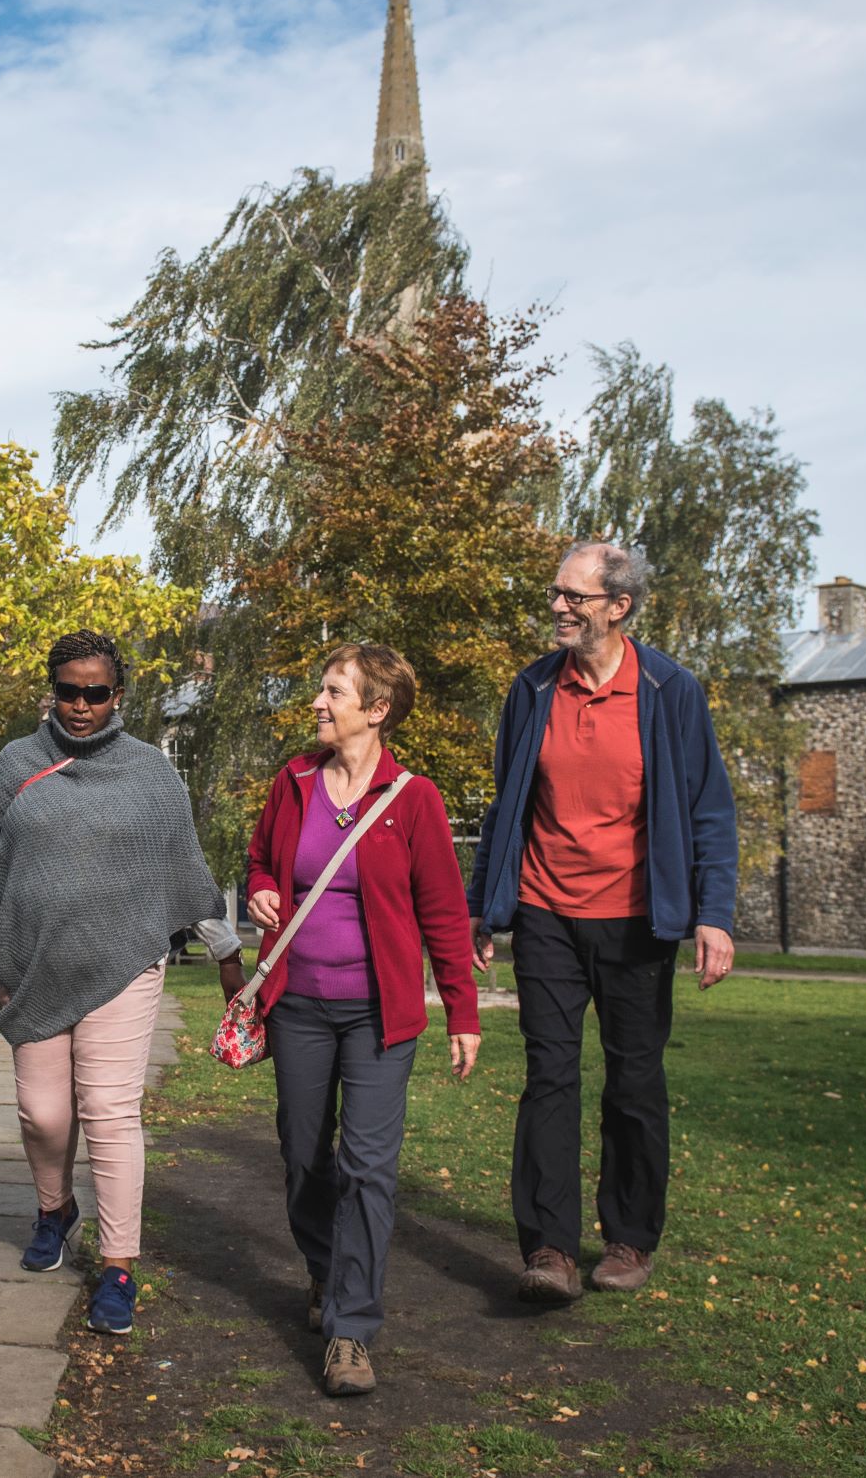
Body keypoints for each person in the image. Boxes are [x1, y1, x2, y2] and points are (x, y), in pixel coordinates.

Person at [0, 631, 243, 1336]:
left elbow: (184, 866)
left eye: (94, 693)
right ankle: (54, 1211)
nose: (79, 705)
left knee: (107, 1111)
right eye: (67, 690)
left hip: (123, 964)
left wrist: (224, 951)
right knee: (43, 1115)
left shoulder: (150, 772)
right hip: (28, 962)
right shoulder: (15, 764)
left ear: (117, 697)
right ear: (52, 690)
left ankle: (119, 1265)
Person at [468, 542, 737, 1305]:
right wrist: (483, 906)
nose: (557, 606)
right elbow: (505, 807)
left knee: (634, 1080)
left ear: (617, 607)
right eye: (554, 592)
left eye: (573, 597)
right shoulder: (530, 690)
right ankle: (549, 1248)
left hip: (636, 920)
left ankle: (628, 1238)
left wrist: (711, 914)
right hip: (546, 912)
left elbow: (709, 808)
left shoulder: (668, 690)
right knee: (549, 1076)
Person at [243, 643, 480, 1397]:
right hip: (299, 1008)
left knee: (367, 1169)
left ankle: (350, 1331)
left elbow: (444, 912)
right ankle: (325, 1272)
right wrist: (258, 889)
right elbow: (258, 857)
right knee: (305, 1157)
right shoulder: (294, 781)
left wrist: (461, 1013)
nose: (317, 701)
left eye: (333, 691)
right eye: (320, 688)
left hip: (379, 1016)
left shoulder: (414, 799)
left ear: (375, 710)